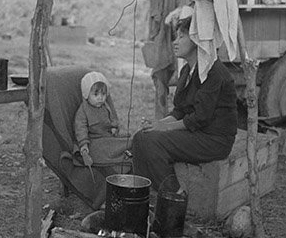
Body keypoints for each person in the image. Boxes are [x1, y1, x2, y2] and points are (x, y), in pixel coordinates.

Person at [130, 12, 238, 199]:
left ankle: (175, 195)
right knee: (141, 137)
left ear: (196, 40)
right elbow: (180, 110)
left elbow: (199, 119)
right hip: (196, 132)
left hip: (214, 139)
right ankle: (141, 195)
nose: (175, 42)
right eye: (176, 37)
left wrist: (164, 129)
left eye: (181, 36)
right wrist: (158, 124)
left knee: (153, 142)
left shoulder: (214, 72)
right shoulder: (188, 69)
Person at [73, 71, 123, 169]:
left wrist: (114, 127)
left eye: (103, 94)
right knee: (107, 149)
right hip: (93, 140)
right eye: (96, 94)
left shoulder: (105, 106)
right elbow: (80, 129)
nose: (100, 98)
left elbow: (112, 119)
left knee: (125, 141)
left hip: (107, 136)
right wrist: (84, 145)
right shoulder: (83, 110)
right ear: (87, 94)